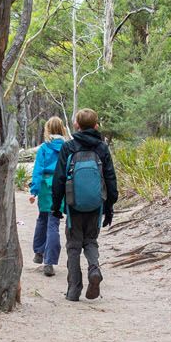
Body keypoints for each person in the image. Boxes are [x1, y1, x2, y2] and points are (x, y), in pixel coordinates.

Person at [50, 108, 118, 301]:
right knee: (90, 241)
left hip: (73, 205)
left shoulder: (69, 147)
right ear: (96, 126)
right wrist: (109, 207)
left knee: (73, 245)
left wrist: (56, 207)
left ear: (76, 125)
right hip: (96, 204)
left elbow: (59, 179)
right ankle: (94, 270)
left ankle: (74, 289)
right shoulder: (102, 148)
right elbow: (110, 178)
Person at [28, 116, 68, 277]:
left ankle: (39, 252)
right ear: (62, 129)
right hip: (60, 186)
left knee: (42, 219)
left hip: (45, 186)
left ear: (48, 130)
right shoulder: (67, 148)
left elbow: (38, 170)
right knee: (54, 223)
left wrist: (34, 191)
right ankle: (49, 262)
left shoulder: (44, 148)